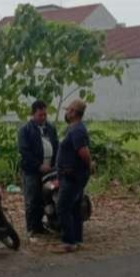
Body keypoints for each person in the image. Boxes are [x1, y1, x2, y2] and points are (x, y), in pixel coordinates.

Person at [18, 100, 59, 239]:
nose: (43, 118)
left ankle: (40, 225)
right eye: (40, 115)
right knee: (32, 199)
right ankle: (31, 228)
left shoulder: (50, 128)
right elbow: (24, 151)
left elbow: (56, 146)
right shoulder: (25, 130)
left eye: (45, 115)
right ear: (33, 114)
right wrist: (38, 165)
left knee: (44, 198)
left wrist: (54, 164)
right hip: (31, 170)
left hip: (49, 169)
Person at [56, 99, 92, 253]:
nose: (66, 113)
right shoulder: (73, 128)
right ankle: (76, 239)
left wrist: (90, 165)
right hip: (71, 175)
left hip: (72, 176)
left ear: (73, 113)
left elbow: (83, 152)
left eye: (68, 110)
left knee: (63, 207)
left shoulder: (77, 130)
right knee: (75, 207)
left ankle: (69, 241)